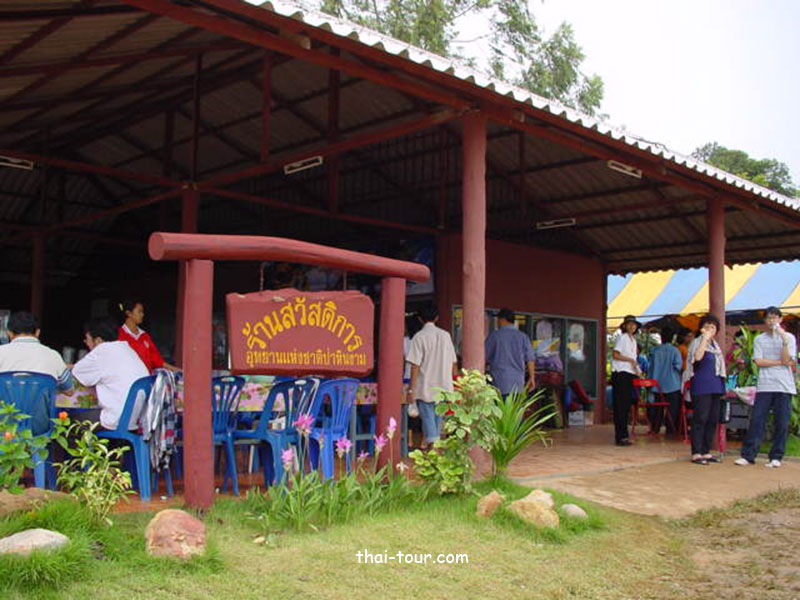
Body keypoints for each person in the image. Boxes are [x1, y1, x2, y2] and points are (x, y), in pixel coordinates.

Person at [735, 307, 797, 468]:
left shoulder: (789, 338)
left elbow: (788, 359)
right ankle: (748, 455)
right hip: (765, 385)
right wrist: (780, 363)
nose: (772, 321)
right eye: (769, 318)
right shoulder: (759, 339)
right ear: (765, 321)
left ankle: (776, 457)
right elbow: (759, 361)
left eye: (775, 318)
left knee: (781, 422)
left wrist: (784, 340)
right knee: (757, 420)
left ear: (780, 320)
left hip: (784, 386)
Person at [0, 311, 73, 434]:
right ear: (38, 332)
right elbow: (69, 390)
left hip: (4, 428)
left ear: (9, 333)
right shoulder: (53, 355)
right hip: (39, 429)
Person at [73, 318, 150, 431]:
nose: (87, 343)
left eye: (87, 339)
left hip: (117, 419)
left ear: (98, 340)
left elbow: (77, 372)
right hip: (136, 419)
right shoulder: (126, 348)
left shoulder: (102, 350)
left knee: (70, 425)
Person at [406, 304, 458, 449]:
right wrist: (454, 382)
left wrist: (411, 390)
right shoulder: (445, 336)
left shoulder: (419, 337)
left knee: (428, 420)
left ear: (420, 319)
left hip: (426, 387)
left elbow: (415, 366)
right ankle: (435, 449)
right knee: (437, 420)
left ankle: (434, 450)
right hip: (444, 387)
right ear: (436, 318)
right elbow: (453, 363)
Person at [684, 315, 726, 465]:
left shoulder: (715, 346)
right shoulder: (697, 342)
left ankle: (706, 451)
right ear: (701, 328)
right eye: (707, 326)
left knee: (712, 419)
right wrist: (704, 339)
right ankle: (696, 452)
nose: (710, 329)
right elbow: (698, 357)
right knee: (700, 418)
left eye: (713, 327)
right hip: (701, 386)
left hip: (715, 386)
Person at [484, 308, 536, 396]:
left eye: (498, 319)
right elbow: (530, 359)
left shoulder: (495, 336)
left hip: (499, 383)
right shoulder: (523, 337)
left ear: (502, 319)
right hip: (518, 385)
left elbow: (483, 357)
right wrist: (532, 377)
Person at [117, 300, 179, 373]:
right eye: (139, 311)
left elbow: (157, 360)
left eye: (142, 312)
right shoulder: (119, 335)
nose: (142, 315)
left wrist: (175, 370)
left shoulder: (145, 336)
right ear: (129, 313)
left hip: (146, 377)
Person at [611, 315, 642, 447]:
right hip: (621, 373)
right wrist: (630, 360)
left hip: (629, 374)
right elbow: (615, 354)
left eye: (633, 324)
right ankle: (620, 437)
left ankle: (624, 435)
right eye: (629, 324)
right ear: (624, 326)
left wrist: (637, 369)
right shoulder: (623, 338)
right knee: (620, 406)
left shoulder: (633, 340)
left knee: (625, 406)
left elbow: (633, 359)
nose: (631, 326)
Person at [647, 327, 682, 434]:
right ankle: (670, 429)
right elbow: (678, 366)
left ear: (661, 337)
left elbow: (650, 367)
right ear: (672, 338)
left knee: (657, 409)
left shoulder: (654, 350)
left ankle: (655, 428)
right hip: (673, 384)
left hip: (657, 384)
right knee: (672, 409)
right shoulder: (675, 351)